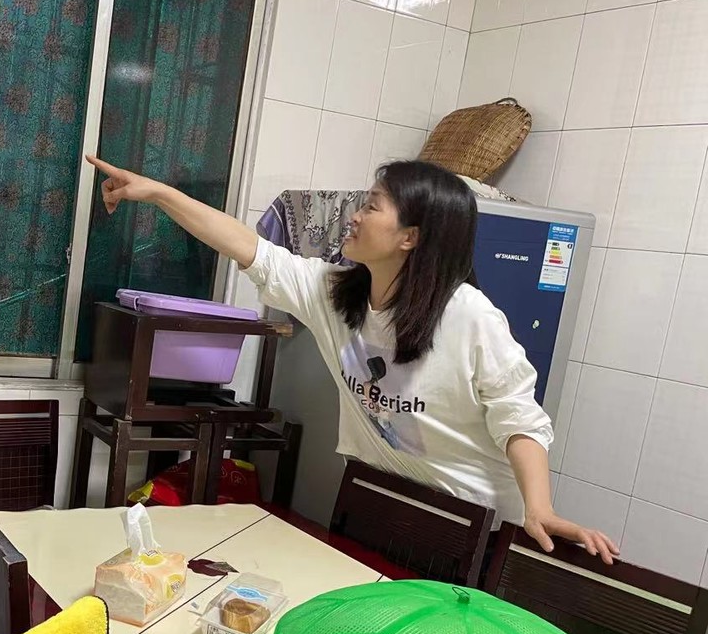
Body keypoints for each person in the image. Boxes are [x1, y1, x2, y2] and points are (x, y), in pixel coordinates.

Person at [87, 155, 619, 565]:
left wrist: (540, 508)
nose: (355, 216)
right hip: (379, 499)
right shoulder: (335, 294)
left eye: (372, 206)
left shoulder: (469, 316)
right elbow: (250, 249)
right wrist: (157, 193)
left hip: (469, 523)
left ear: (410, 237)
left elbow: (518, 416)